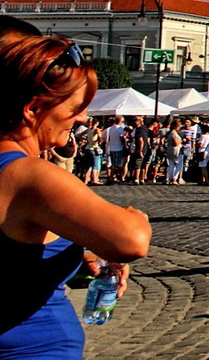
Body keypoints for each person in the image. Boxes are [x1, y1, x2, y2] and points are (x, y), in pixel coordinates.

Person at [0, 34, 151, 358]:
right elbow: (131, 241)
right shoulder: (30, 175)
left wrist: (76, 251)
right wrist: (135, 216)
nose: (83, 118)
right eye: (77, 107)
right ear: (34, 108)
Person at [104, 115, 127, 184]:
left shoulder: (111, 128)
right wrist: (125, 145)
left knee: (113, 163)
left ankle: (112, 177)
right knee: (119, 164)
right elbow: (121, 138)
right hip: (118, 147)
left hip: (112, 148)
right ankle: (120, 177)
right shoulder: (120, 129)